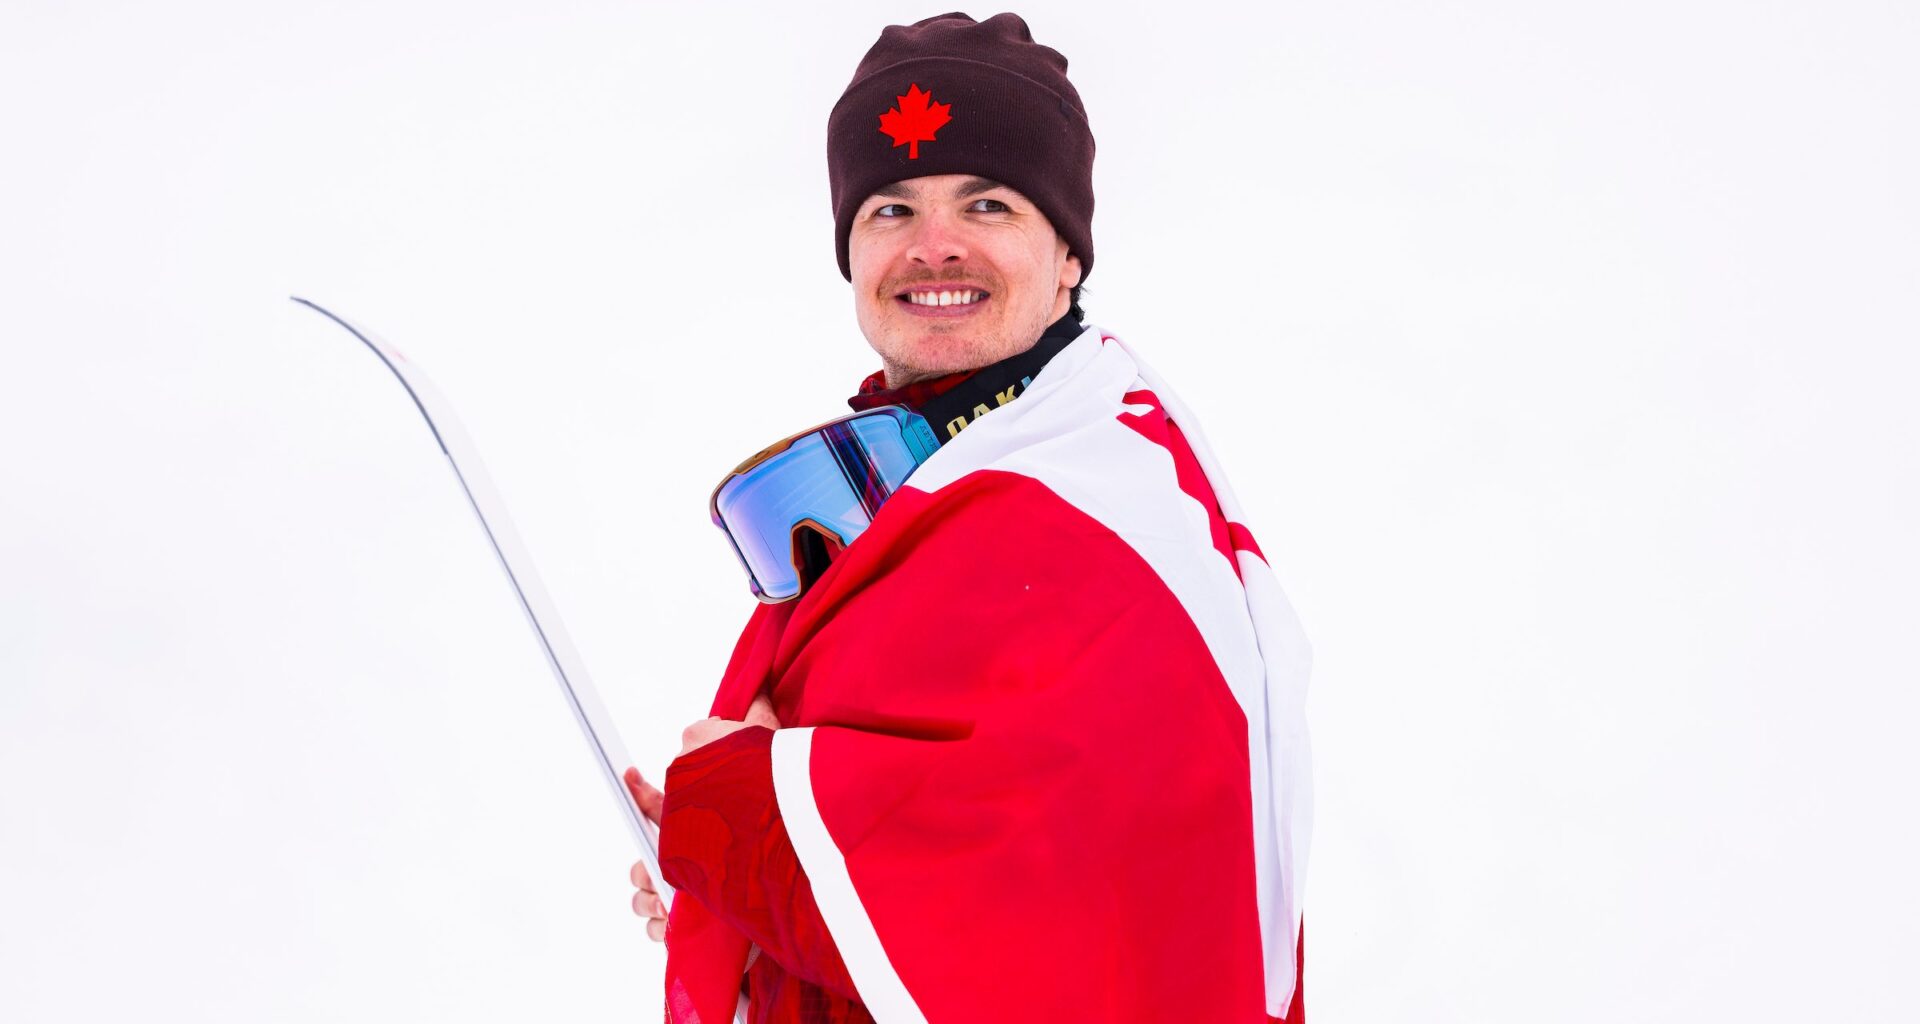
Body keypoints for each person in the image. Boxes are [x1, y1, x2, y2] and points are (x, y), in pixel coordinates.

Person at [623, 12, 1313, 1022]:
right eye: (890, 210)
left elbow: (1054, 889)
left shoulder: (1110, 516)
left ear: (1068, 256)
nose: (932, 247)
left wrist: (752, 818)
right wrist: (734, 886)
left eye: (986, 203)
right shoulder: (926, 465)